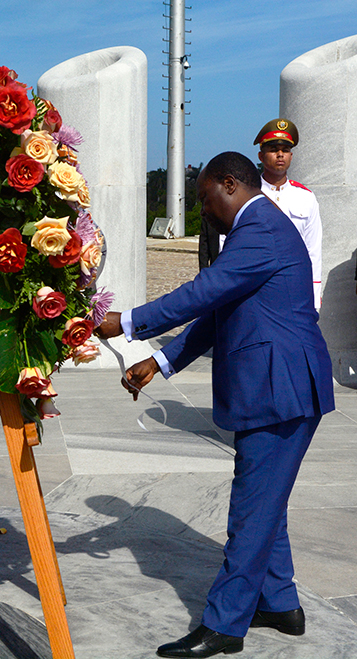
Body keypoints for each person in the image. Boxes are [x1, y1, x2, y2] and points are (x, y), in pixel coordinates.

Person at [96, 152, 334, 658]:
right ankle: (280, 602)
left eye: (206, 199)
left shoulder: (262, 228)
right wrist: (159, 362)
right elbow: (218, 309)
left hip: (281, 388)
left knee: (251, 508)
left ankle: (225, 624)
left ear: (231, 184)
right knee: (266, 499)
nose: (203, 210)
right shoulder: (254, 228)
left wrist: (129, 321)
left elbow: (203, 291)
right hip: (276, 386)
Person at [254, 118, 323, 310]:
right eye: (274, 149)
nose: (280, 155)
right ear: (261, 156)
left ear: (291, 156)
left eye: (285, 150)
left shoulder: (305, 198)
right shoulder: (247, 194)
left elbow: (313, 250)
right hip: (255, 289)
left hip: (294, 290)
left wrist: (314, 296)